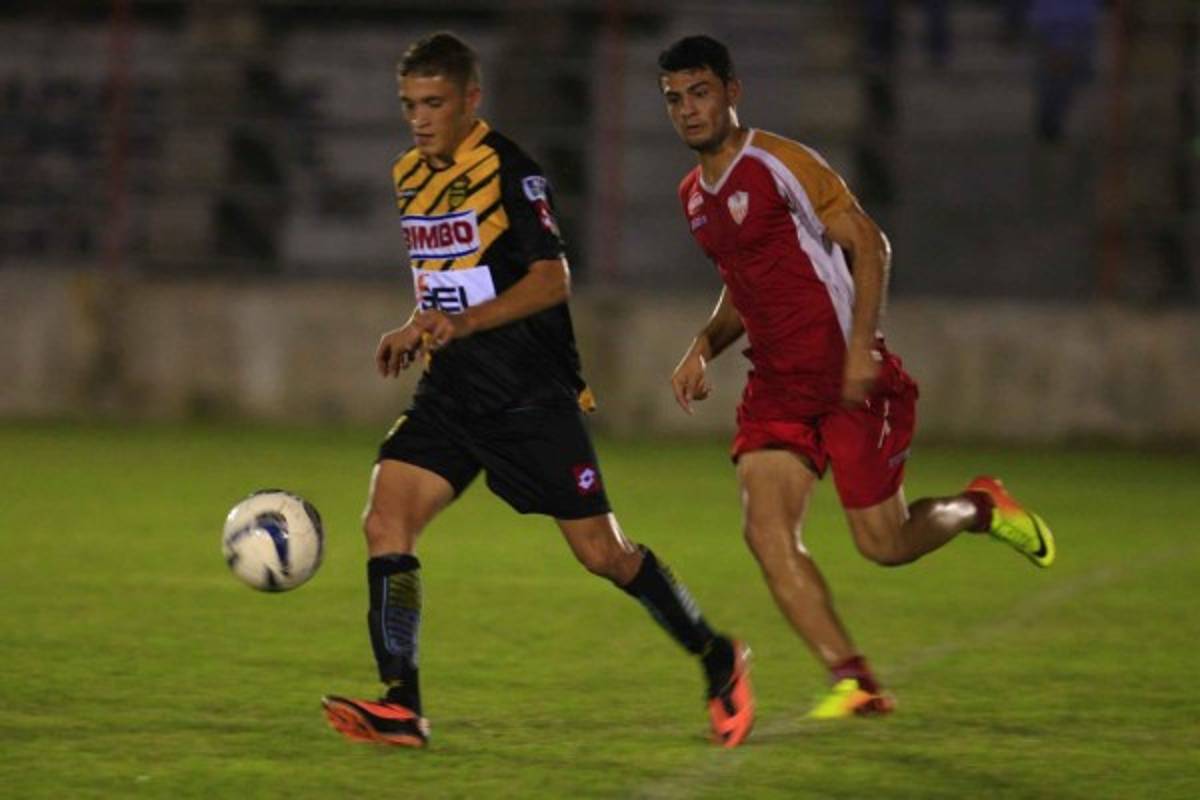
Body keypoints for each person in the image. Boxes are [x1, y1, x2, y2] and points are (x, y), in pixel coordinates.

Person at [321, 32, 754, 750]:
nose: (420, 119)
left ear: (470, 99)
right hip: (451, 393)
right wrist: (415, 324)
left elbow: (553, 280)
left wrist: (457, 322)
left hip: (529, 397)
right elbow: (449, 274)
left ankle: (717, 655)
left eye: (434, 103)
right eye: (409, 105)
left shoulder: (511, 172)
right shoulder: (408, 173)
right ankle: (402, 704)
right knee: (384, 521)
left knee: (604, 555)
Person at [657, 35, 1055, 718]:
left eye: (700, 93)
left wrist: (863, 346)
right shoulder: (694, 195)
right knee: (766, 532)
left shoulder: (781, 164)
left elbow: (870, 241)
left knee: (886, 544)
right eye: (673, 100)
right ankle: (856, 679)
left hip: (848, 379)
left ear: (731, 91)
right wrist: (702, 347)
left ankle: (979, 507)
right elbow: (742, 287)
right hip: (777, 389)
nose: (688, 110)